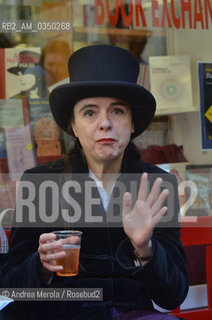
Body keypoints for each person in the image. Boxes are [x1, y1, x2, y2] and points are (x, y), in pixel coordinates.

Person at [0, 45, 188, 320]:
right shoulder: (41, 183)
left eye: (118, 111)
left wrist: (145, 248)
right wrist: (40, 264)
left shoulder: (157, 184)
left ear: (132, 122)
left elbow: (173, 296)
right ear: (73, 126)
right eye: (89, 112)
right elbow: (10, 286)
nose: (105, 124)